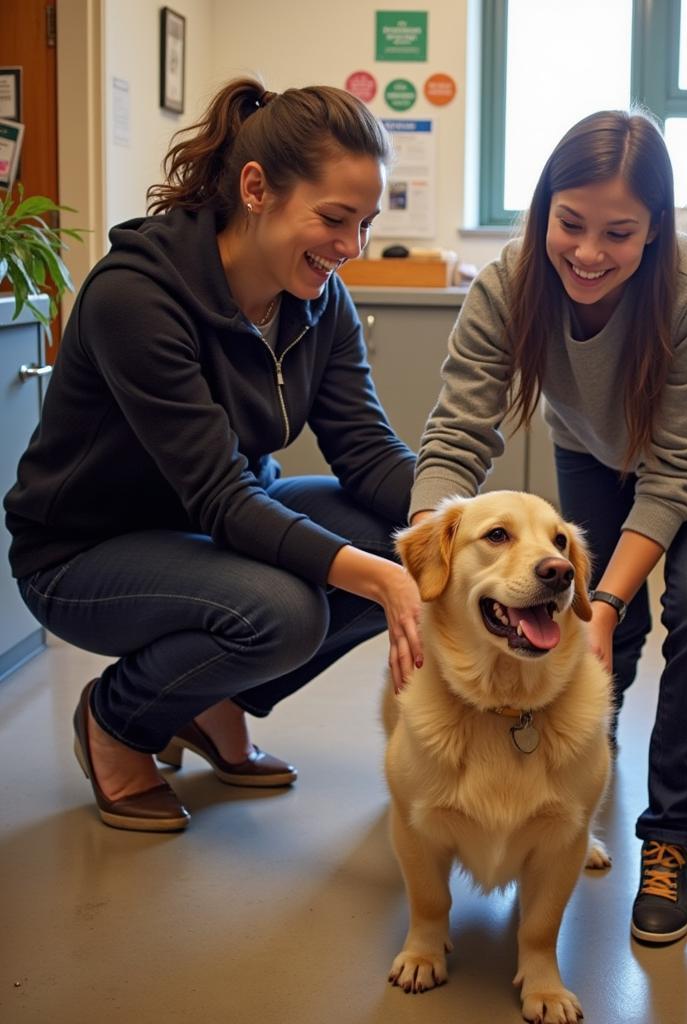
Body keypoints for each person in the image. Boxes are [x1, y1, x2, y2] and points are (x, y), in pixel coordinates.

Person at [4, 78, 423, 834]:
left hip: (214, 533)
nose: (351, 249)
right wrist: (382, 580)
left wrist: (465, 522)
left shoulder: (319, 300)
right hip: (84, 553)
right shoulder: (138, 295)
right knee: (287, 614)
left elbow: (366, 449)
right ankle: (116, 720)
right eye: (334, 219)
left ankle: (208, 701)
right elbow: (223, 502)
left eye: (365, 223)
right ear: (257, 188)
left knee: (410, 546)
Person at [409, 110, 687, 945]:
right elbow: (459, 430)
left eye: (620, 232)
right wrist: (429, 553)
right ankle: (569, 803)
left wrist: (600, 600)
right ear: (543, 210)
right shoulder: (508, 280)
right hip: (591, 440)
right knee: (612, 621)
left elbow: (678, 470)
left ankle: (670, 842)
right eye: (569, 224)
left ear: (655, 231)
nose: (588, 252)